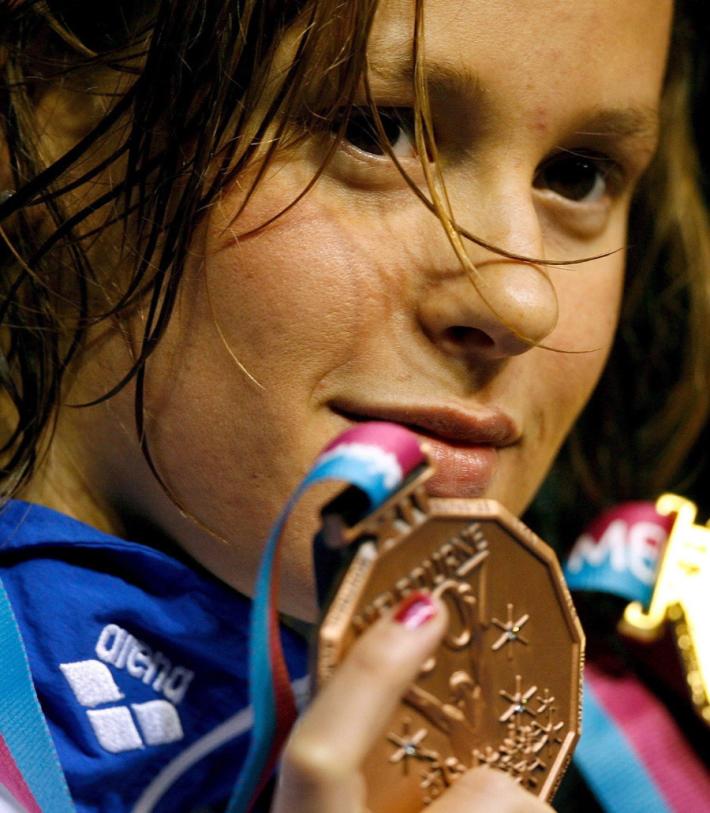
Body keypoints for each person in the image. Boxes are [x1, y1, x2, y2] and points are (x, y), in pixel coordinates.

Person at [0, 0, 707, 811]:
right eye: (376, 130)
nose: (520, 301)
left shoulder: (656, 756)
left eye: (578, 174)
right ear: (42, 104)